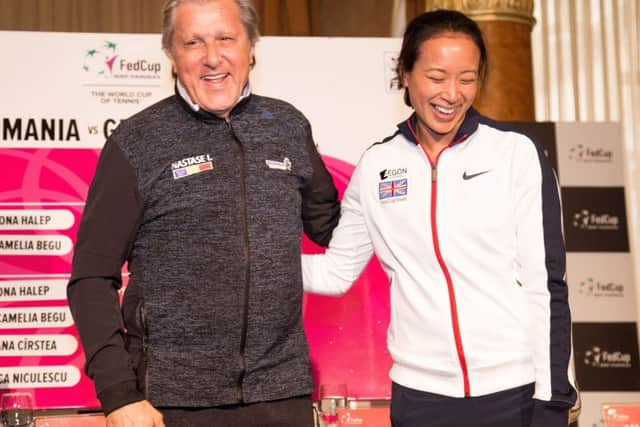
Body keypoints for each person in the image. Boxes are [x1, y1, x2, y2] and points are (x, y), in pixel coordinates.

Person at [66, 0, 340, 426]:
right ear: (172, 55)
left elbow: (333, 229)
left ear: (251, 46)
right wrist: (119, 395)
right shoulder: (136, 141)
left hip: (282, 395)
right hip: (168, 403)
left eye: (226, 38)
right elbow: (90, 277)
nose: (213, 57)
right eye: (193, 42)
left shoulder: (288, 126)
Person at [302, 9, 576, 427]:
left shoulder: (516, 155)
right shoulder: (377, 165)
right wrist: (245, 261)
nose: (452, 93)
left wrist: (552, 398)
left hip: (514, 393)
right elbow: (337, 272)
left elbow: (546, 285)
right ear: (405, 74)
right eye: (436, 76)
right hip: (420, 400)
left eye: (467, 78)